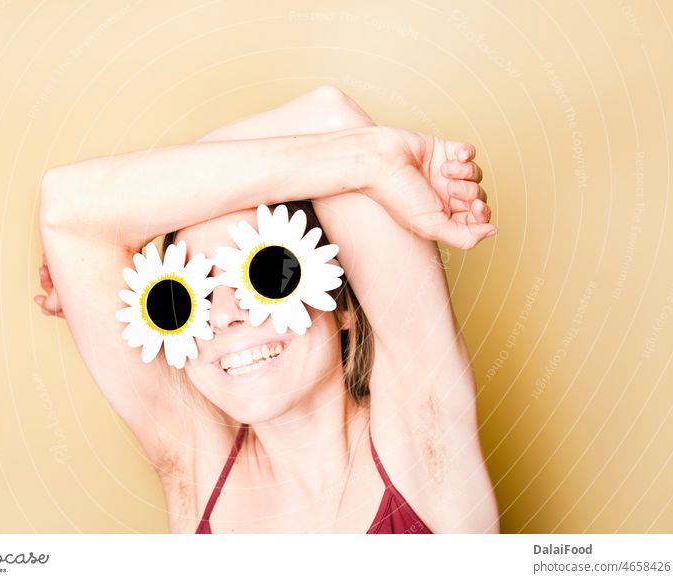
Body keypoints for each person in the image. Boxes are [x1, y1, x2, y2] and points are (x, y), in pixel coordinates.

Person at [34, 85, 499, 533]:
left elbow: (328, 117)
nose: (225, 314)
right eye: (186, 296)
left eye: (269, 271)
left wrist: (366, 158)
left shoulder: (425, 434)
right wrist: (363, 159)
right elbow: (66, 205)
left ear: (344, 306)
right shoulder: (193, 465)